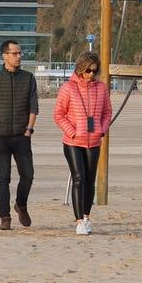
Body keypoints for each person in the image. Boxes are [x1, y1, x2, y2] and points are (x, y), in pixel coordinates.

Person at [0, 39, 39, 230]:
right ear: (5, 56)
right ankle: (5, 217)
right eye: (15, 53)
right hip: (1, 137)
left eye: (20, 53)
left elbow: (34, 106)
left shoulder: (28, 78)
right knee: (3, 178)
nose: (19, 56)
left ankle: (21, 204)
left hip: (22, 136)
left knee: (27, 175)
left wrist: (29, 129)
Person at [54, 51, 112, 236]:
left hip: (94, 141)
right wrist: (72, 132)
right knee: (78, 178)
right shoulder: (68, 88)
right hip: (72, 142)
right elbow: (58, 114)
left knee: (89, 180)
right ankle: (79, 221)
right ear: (80, 69)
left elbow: (107, 113)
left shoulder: (101, 88)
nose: (91, 75)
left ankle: (86, 217)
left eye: (95, 71)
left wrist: (101, 129)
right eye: (88, 71)